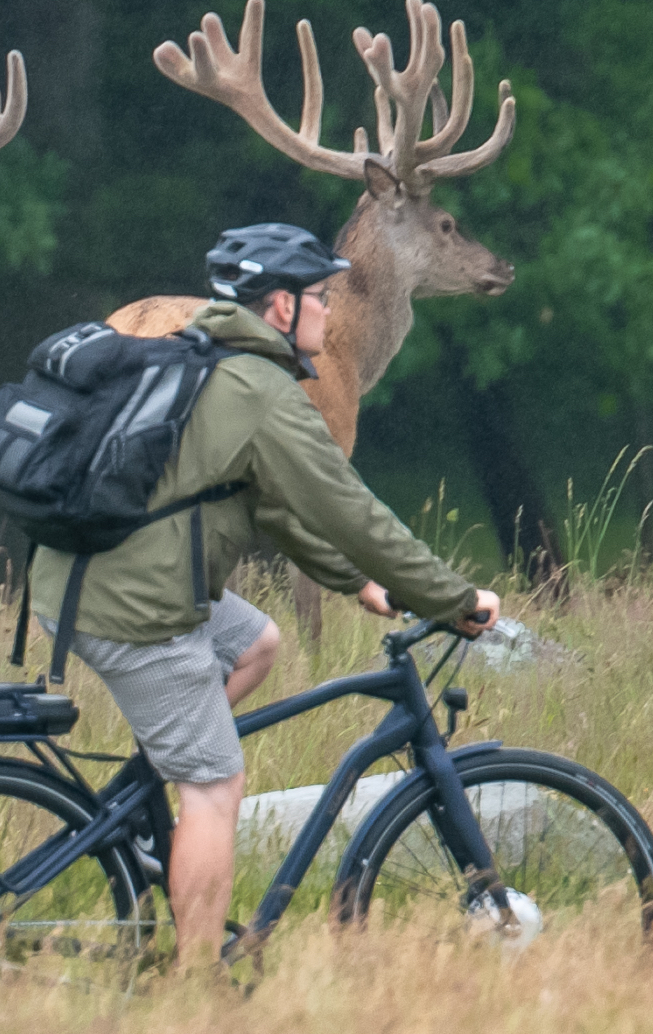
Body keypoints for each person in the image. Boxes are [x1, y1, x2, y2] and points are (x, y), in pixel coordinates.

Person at [34, 221, 499, 975]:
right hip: (129, 597)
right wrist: (449, 595)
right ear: (279, 308)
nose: (331, 310)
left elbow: (272, 509)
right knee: (217, 785)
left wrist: (355, 583)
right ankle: (196, 979)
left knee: (256, 643)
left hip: (98, 572)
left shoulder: (212, 358)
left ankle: (150, 811)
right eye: (319, 296)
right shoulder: (262, 390)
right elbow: (350, 508)